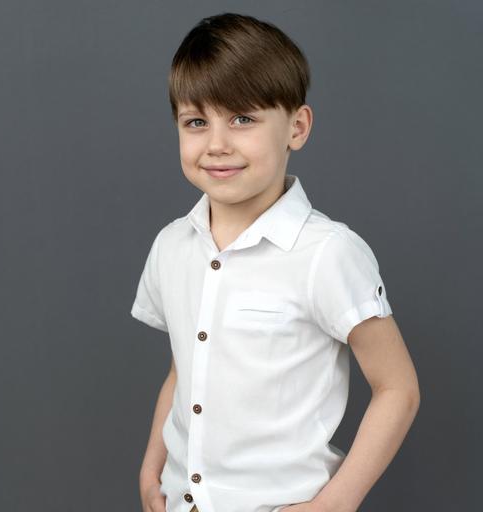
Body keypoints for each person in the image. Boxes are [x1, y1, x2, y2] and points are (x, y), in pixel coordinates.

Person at [131, 12, 420, 512]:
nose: (217, 144)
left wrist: (335, 504)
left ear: (297, 127)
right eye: (196, 122)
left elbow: (397, 388)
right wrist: (151, 467)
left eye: (242, 119)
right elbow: (184, 369)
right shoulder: (171, 245)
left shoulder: (327, 252)